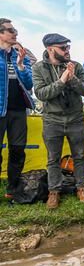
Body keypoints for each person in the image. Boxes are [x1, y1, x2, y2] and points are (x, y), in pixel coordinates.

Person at [32, 33, 84, 209]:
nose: (67, 51)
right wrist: (62, 79)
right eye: (63, 48)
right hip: (52, 120)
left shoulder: (77, 66)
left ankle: (81, 187)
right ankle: (54, 191)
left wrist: (72, 78)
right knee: (53, 159)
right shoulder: (38, 68)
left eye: (68, 47)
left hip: (75, 119)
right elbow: (42, 94)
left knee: (79, 156)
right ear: (50, 49)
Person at [0, 18, 35, 199]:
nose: (15, 33)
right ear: (1, 33)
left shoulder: (21, 54)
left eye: (15, 31)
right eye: (10, 30)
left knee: (18, 150)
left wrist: (21, 65)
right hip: (0, 110)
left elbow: (29, 84)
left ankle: (12, 190)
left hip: (19, 111)